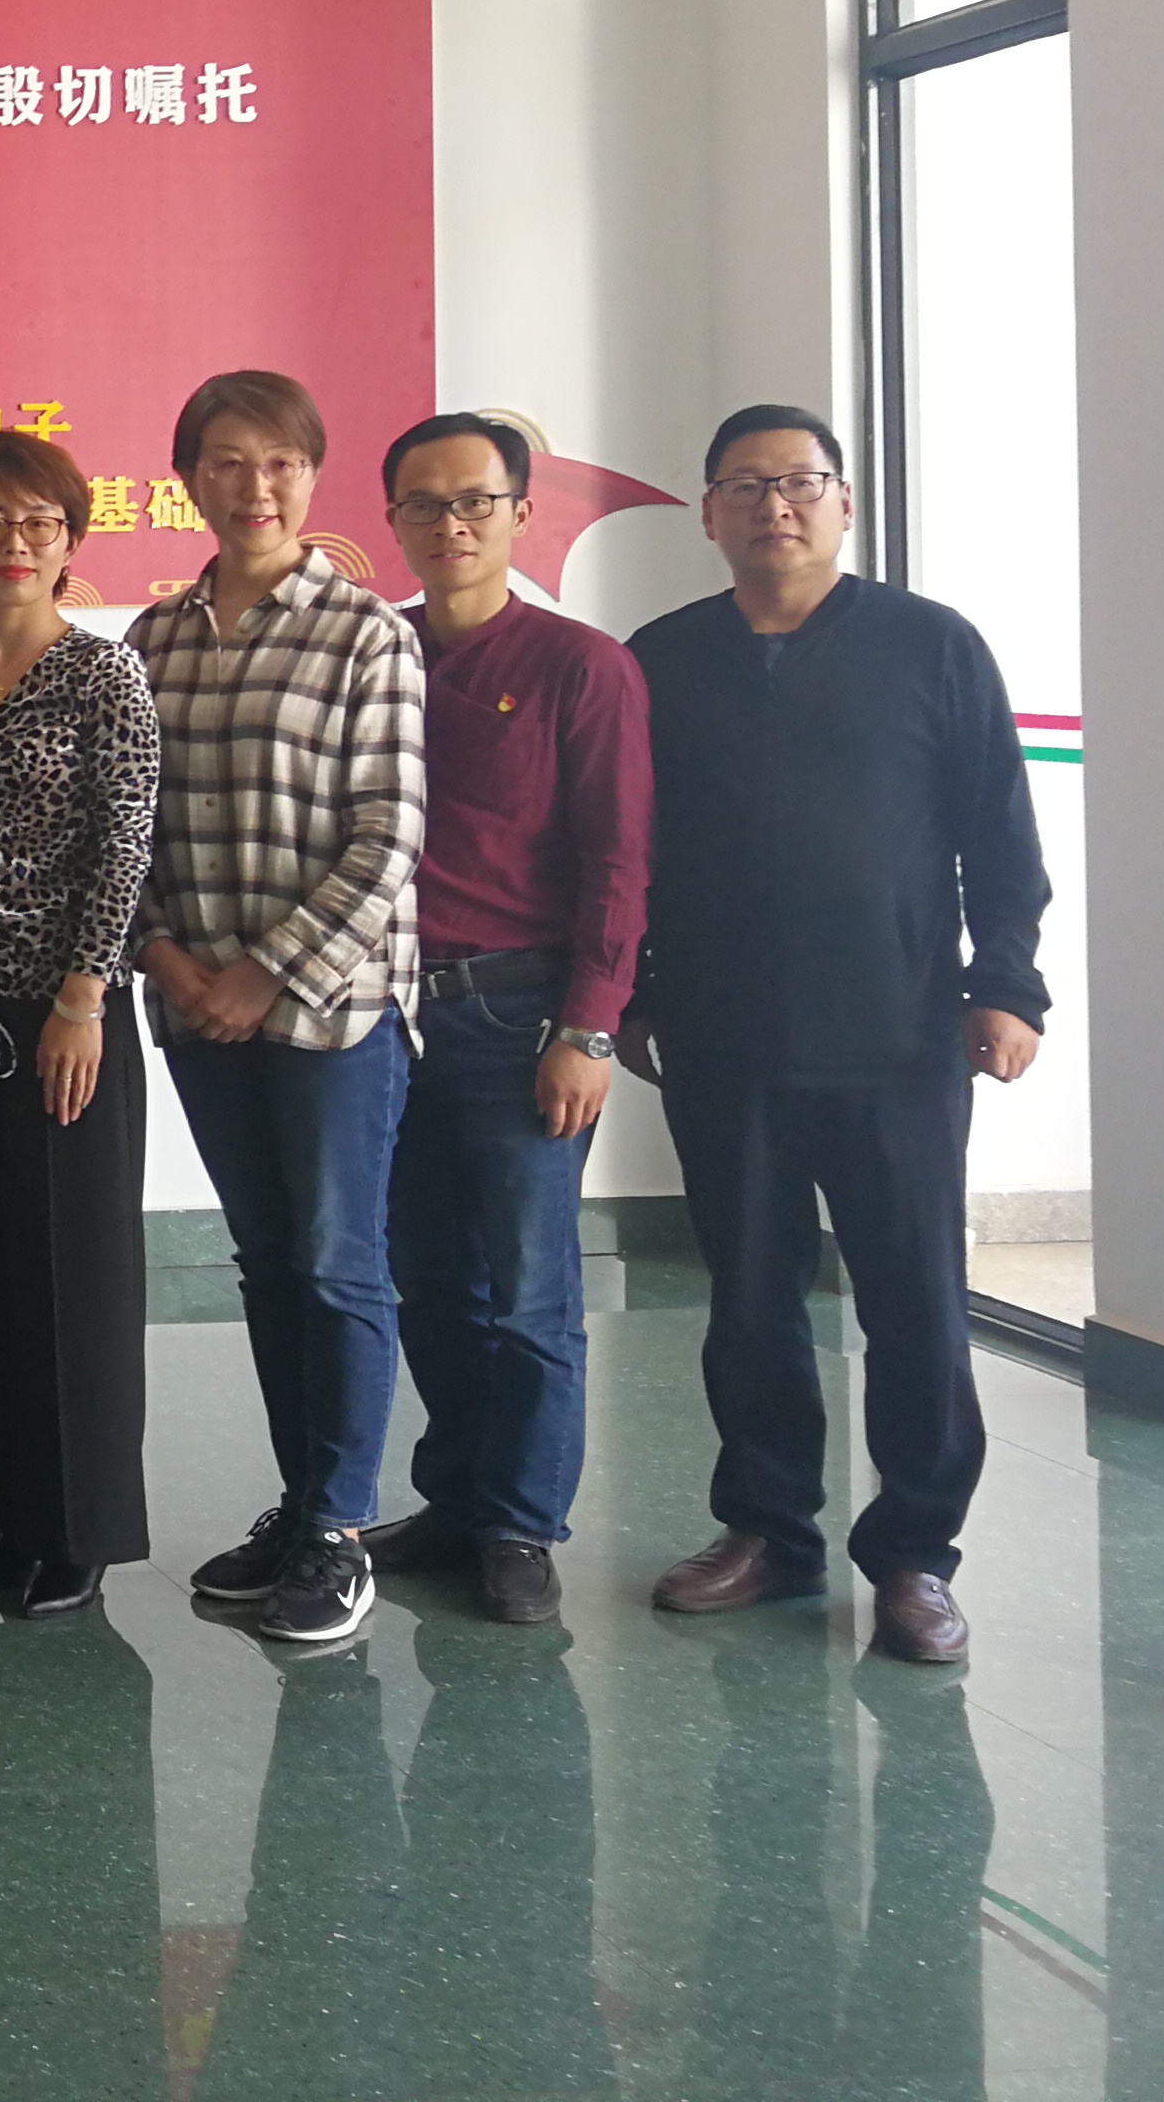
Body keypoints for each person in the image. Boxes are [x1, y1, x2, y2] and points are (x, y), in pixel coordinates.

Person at [625, 406, 1049, 1665]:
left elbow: (998, 834)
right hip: (723, 1040)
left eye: (799, 482)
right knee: (748, 1299)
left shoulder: (930, 645)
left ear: (843, 503)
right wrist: (632, 993)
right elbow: (624, 850)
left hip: (898, 1037)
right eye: (744, 486)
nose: (774, 506)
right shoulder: (659, 660)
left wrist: (1005, 987)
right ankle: (766, 1531)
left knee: (913, 1302)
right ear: (707, 512)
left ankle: (914, 1555)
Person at [122, 369, 426, 1648]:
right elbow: (123, 828)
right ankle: (300, 1503)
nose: (255, 487)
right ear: (187, 478)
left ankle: (340, 1529)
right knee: (265, 1261)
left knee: (334, 1260)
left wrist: (267, 971)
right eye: (228, 463)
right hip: (196, 1009)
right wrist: (162, 956)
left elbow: (386, 834)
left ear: (311, 476)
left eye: (280, 464)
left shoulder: (365, 634)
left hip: (331, 1013)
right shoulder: (151, 641)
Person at [368, 413, 652, 1626]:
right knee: (425, 1278)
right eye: (422, 504)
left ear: (518, 514)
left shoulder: (578, 666)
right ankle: (457, 1499)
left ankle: (521, 1525)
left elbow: (617, 858)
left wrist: (588, 1026)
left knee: (528, 1288)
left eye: (472, 501)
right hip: (381, 1014)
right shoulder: (375, 654)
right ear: (391, 520)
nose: (448, 525)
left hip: (518, 1015)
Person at [0, 429, 162, 1621]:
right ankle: (11, 1511)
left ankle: (79, 1528)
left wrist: (82, 997)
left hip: (66, 1019)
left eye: (38, 523)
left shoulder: (103, 674)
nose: (14, 542)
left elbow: (124, 842)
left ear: (69, 543)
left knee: (75, 1274)